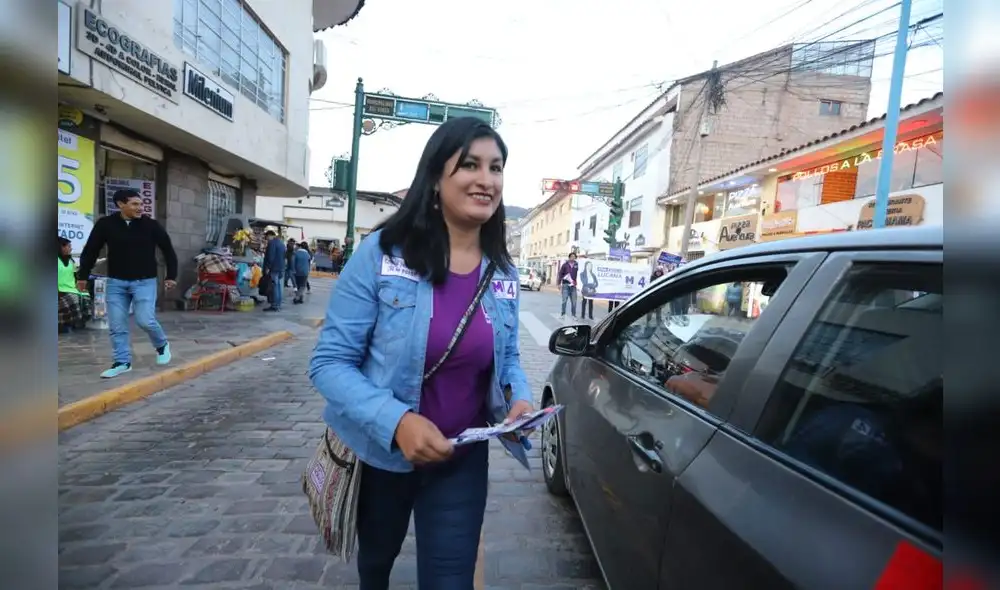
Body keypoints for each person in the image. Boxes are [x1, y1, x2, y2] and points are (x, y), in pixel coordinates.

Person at [309, 117, 533, 590]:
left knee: (450, 581)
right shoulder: (382, 254)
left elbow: (508, 358)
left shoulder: (504, 274)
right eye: (469, 164)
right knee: (376, 568)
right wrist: (398, 422)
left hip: (461, 457)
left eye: (496, 168)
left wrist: (519, 396)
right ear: (436, 177)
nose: (486, 179)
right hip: (381, 456)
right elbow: (329, 364)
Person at [76, 188, 178, 378]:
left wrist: (171, 275)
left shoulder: (151, 225)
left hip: (145, 282)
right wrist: (82, 276)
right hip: (116, 283)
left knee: (145, 320)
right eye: (134, 204)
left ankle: (161, 344)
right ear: (120, 205)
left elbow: (168, 250)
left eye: (140, 204)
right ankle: (122, 362)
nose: (140, 208)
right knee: (117, 326)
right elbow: (91, 250)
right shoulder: (106, 224)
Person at [58, 236, 89, 333]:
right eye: (68, 246)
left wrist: (80, 286)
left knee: (86, 297)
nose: (70, 248)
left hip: (71, 288)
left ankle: (77, 323)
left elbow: (75, 275)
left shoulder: (71, 261)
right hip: (60, 289)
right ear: (61, 247)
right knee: (73, 298)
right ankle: (64, 324)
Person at [262, 230, 286, 311]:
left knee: (274, 287)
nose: (267, 239)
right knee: (278, 286)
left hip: (274, 268)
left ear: (270, 235)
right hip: (281, 267)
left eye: (267, 237)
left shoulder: (272, 243)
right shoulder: (281, 243)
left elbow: (270, 257)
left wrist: (268, 267)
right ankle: (278, 304)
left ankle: (274, 305)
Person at [557, 252, 579, 318]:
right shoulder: (565, 265)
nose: (573, 258)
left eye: (574, 257)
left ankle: (573, 315)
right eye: (572, 256)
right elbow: (560, 274)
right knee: (564, 301)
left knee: (574, 302)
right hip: (565, 284)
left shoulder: (577, 265)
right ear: (569, 257)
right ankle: (563, 314)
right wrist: (559, 283)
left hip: (573, 285)